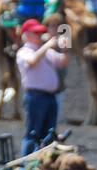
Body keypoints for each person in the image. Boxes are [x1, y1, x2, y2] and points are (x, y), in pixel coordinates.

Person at [16, 19, 69, 155]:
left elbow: (63, 61)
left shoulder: (44, 51)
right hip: (36, 96)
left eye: (40, 33)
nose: (40, 36)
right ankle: (25, 164)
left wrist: (66, 45)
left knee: (49, 134)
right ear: (27, 35)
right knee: (33, 132)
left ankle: (45, 163)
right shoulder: (24, 51)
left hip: (49, 96)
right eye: (36, 33)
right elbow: (32, 61)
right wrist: (48, 45)